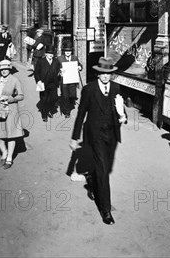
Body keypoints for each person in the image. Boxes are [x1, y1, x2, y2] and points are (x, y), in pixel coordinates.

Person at [69, 57, 127, 225]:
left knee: (105, 168)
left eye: (108, 73)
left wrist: (123, 115)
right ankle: (106, 209)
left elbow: (120, 111)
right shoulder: (89, 90)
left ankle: (93, 183)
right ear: (98, 74)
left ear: (111, 74)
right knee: (103, 169)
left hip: (112, 134)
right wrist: (75, 137)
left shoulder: (116, 88)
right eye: (102, 73)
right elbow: (81, 115)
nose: (105, 76)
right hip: (95, 135)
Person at [0, 60, 24, 169]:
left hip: (11, 110)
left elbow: (21, 96)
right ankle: (4, 152)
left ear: (9, 69)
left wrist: (10, 99)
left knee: (11, 134)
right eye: (2, 69)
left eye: (6, 69)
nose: (4, 71)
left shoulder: (15, 80)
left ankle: (9, 158)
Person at [33, 45, 61, 122]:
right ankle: (44, 115)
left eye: (52, 54)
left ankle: (51, 109)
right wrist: (38, 81)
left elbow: (59, 70)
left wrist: (60, 74)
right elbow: (36, 73)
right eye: (49, 53)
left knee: (54, 98)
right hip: (43, 83)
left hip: (53, 83)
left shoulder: (56, 61)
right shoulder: (41, 61)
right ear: (45, 54)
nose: (50, 55)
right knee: (44, 100)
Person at [58, 44, 82, 118]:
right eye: (66, 51)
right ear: (64, 51)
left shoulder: (75, 58)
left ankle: (70, 103)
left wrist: (79, 67)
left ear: (71, 51)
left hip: (72, 80)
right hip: (64, 80)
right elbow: (55, 68)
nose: (67, 52)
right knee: (65, 96)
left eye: (69, 51)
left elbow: (80, 65)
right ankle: (67, 112)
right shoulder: (59, 58)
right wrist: (60, 71)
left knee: (72, 95)